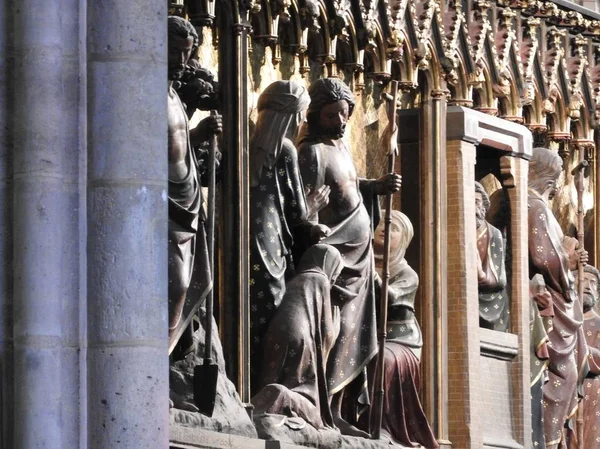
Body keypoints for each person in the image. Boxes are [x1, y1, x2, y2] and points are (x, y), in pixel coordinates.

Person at [296, 78, 401, 437]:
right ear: (314, 115)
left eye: (344, 114)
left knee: (356, 334)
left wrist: (377, 187)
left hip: (360, 256)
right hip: (336, 258)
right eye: (331, 115)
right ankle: (326, 407)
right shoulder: (311, 152)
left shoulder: (341, 148)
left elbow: (351, 191)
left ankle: (341, 409)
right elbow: (307, 207)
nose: (340, 122)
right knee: (335, 330)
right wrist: (311, 226)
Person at [249, 80, 330, 391]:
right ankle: (263, 385)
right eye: (301, 114)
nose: (300, 123)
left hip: (247, 241)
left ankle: (247, 379)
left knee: (253, 312)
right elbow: (296, 212)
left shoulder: (246, 146)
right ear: (290, 116)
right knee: (271, 311)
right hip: (270, 246)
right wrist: (313, 207)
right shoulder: (284, 150)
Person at [167, 16, 222, 356]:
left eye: (186, 53)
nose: (181, 61)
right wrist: (198, 134)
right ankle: (156, 363)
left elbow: (180, 145)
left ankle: (165, 358)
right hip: (165, 203)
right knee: (176, 283)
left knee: (189, 283)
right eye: (174, 51)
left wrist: (200, 135)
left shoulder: (172, 93)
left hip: (187, 202)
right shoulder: (142, 92)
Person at [527, 147, 588, 449]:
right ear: (549, 180)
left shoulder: (524, 203)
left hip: (547, 299)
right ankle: (549, 442)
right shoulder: (534, 206)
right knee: (562, 375)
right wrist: (567, 276)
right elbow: (545, 258)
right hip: (547, 301)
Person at [362, 210, 438, 447]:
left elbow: (390, 299)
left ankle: (383, 426)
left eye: (394, 227)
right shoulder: (360, 259)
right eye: (382, 223)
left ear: (404, 240)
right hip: (366, 335)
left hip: (400, 341)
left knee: (382, 361)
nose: (385, 227)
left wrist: (370, 272)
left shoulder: (407, 274)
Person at [252, 244, 344, 429]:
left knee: (272, 377)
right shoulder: (320, 279)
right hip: (301, 342)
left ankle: (263, 400)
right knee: (307, 400)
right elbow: (326, 332)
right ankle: (280, 399)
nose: (334, 278)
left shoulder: (296, 279)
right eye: (336, 271)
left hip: (276, 336)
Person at [475, 181, 509, 331]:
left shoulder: (493, 234)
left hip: (490, 295)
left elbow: (500, 279)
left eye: (476, 201)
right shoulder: (456, 231)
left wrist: (481, 275)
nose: (473, 207)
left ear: (483, 206)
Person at [575, 265, 600, 449]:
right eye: (583, 280)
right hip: (566, 386)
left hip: (593, 390)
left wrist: (576, 348)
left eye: (593, 283)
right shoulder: (563, 319)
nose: (588, 286)